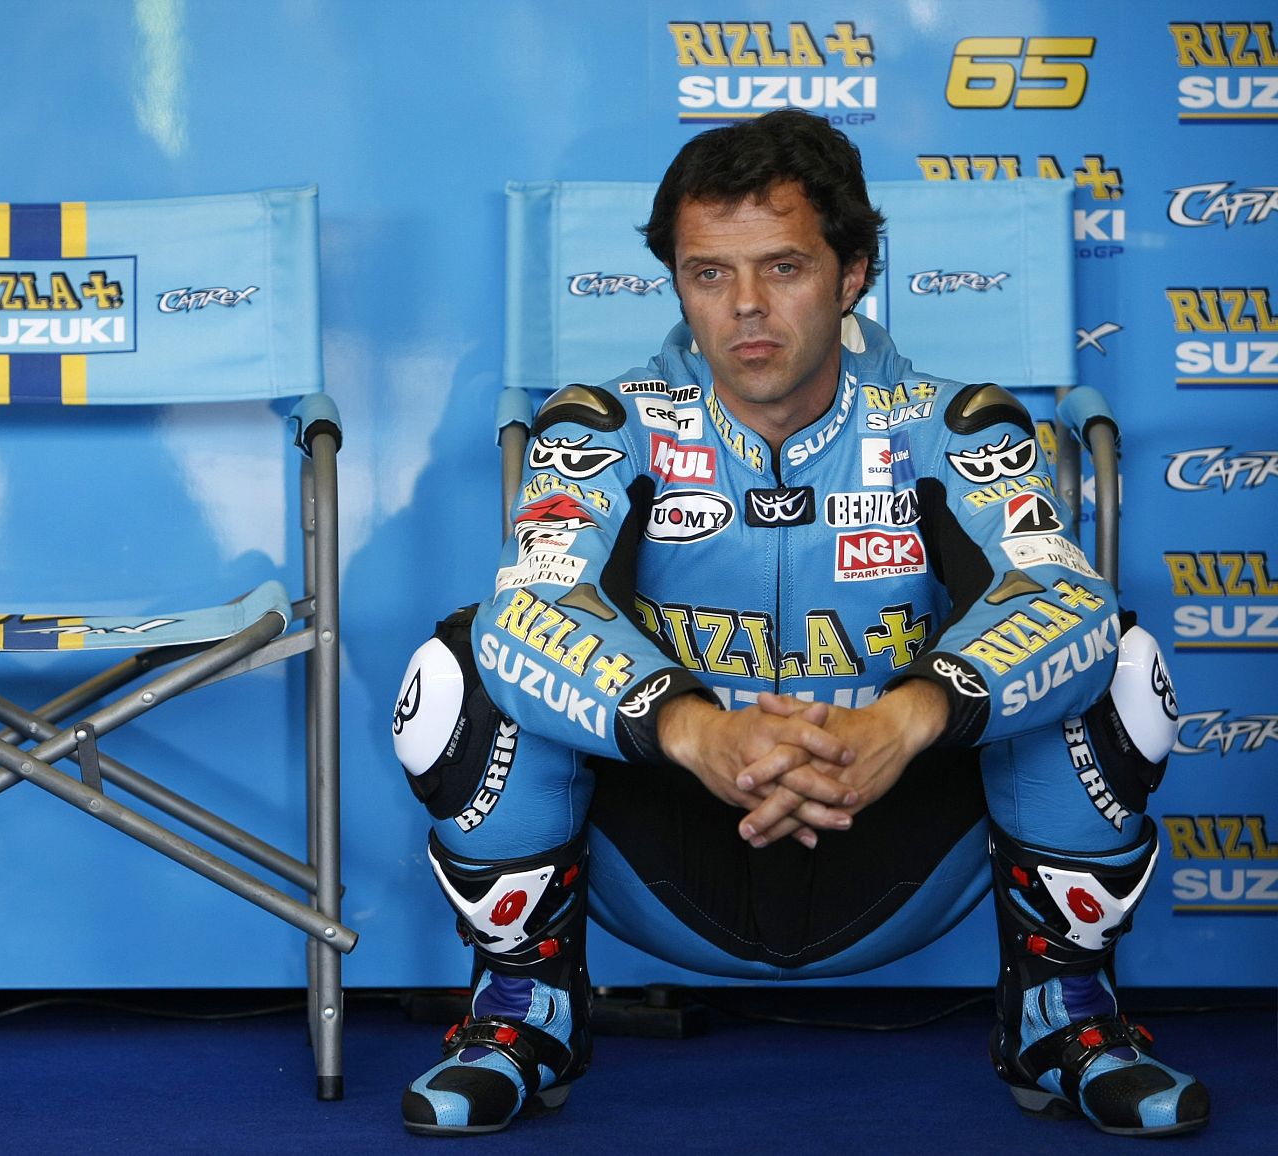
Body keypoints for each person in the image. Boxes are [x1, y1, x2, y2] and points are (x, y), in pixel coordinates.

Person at [390, 109, 1207, 1139]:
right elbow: (531, 611)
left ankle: (1066, 1015)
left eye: (783, 267)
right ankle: (522, 1015)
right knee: (466, 665)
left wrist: (901, 720)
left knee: (1109, 660)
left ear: (852, 272)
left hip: (895, 818)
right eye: (708, 273)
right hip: (674, 822)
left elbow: (1063, 599)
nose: (745, 307)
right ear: (677, 282)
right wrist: (696, 729)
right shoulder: (605, 424)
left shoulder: (955, 424)